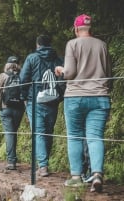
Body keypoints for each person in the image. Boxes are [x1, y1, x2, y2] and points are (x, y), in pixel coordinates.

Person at [55, 14, 112, 192]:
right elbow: (109, 74)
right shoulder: (102, 45)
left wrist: (60, 70)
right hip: (100, 96)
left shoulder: (72, 44)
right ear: (90, 28)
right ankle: (97, 175)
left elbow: (70, 73)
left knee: (75, 136)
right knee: (95, 136)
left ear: (76, 29)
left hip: (75, 97)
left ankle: (76, 177)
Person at [20, 35, 64, 177]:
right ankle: (44, 163)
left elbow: (23, 79)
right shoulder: (58, 59)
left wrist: (24, 97)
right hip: (53, 100)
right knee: (48, 132)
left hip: (35, 100)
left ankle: (43, 166)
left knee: (39, 132)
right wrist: (60, 96)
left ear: (37, 45)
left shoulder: (32, 58)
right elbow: (64, 78)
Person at [0, 56, 25, 170]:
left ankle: (11, 161)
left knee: (9, 133)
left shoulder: (3, 75)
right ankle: (13, 158)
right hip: (19, 108)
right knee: (14, 132)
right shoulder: (22, 76)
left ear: (7, 65)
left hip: (6, 107)